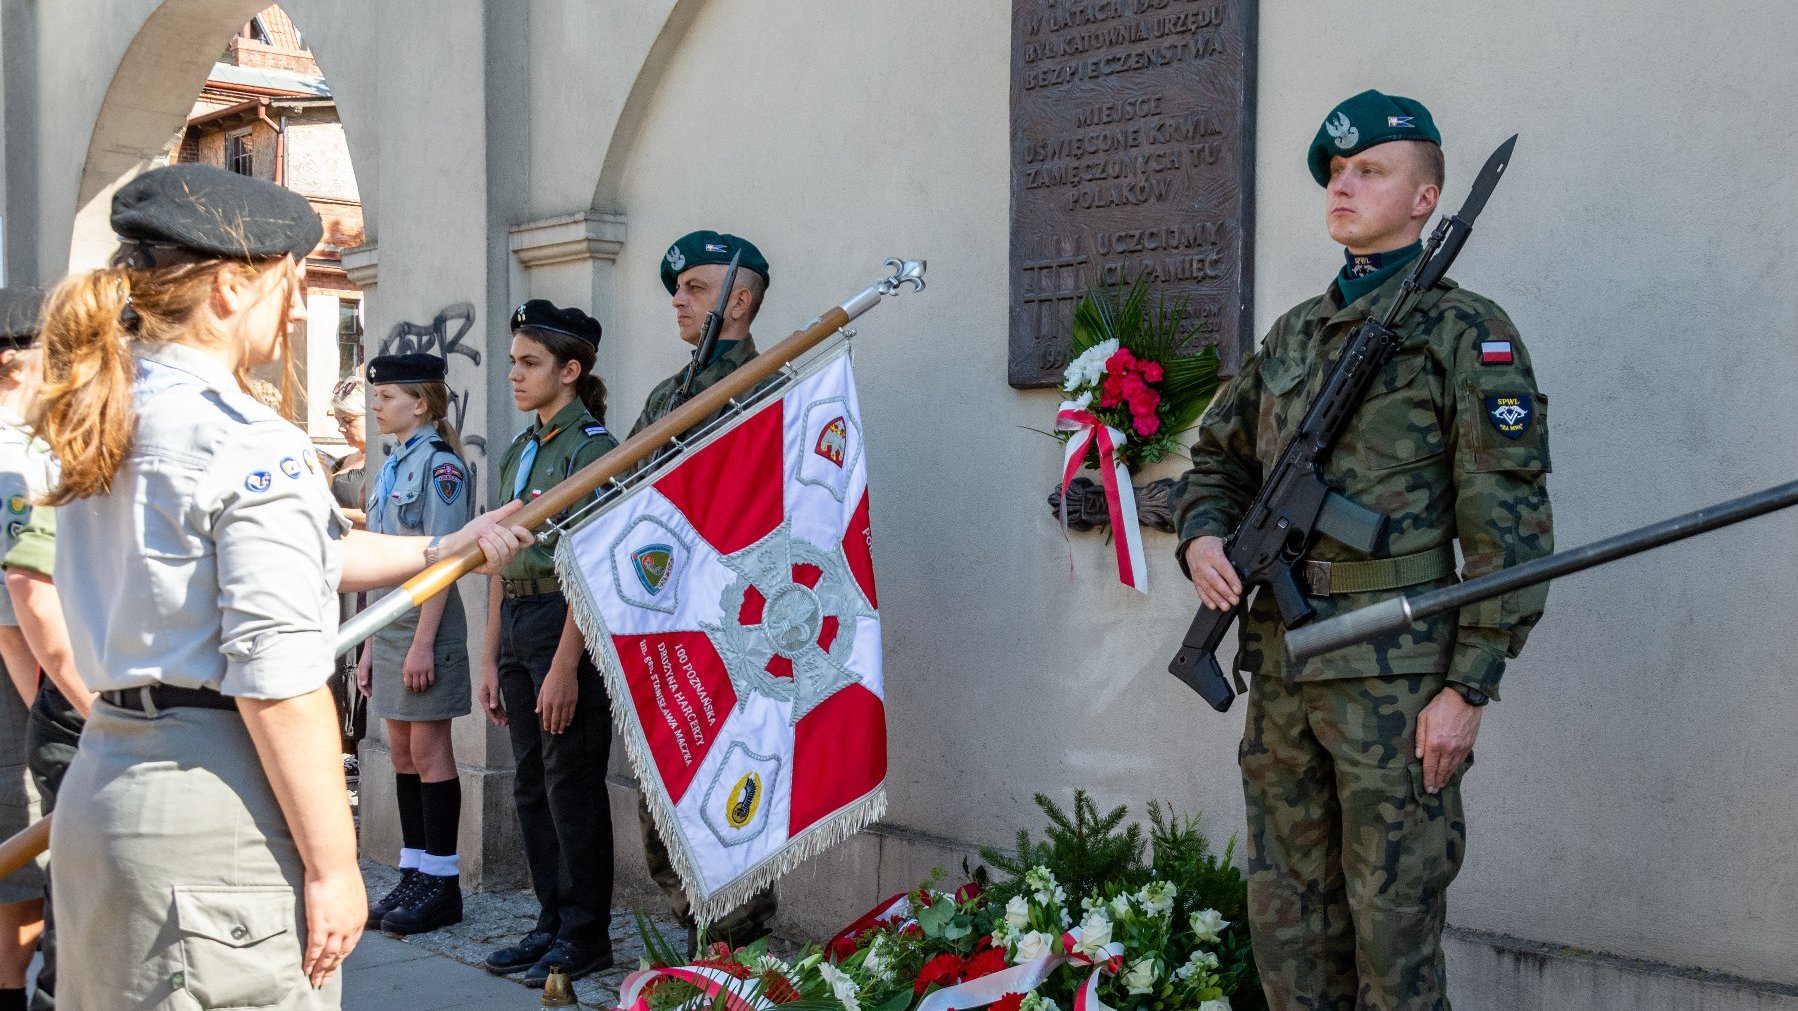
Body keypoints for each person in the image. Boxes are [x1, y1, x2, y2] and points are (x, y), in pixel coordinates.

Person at [32, 162, 529, 1010]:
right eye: (287, 283)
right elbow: (283, 685)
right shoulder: (243, 439)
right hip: (213, 801)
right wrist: (337, 867)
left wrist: (452, 544)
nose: (298, 308)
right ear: (229, 286)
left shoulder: (108, 408)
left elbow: (315, 554)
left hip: (107, 774)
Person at [1173, 90, 1553, 1010]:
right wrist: (1202, 536)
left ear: (1426, 199)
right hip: (1283, 670)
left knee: (1394, 933)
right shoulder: (1296, 334)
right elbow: (1217, 459)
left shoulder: (1467, 333)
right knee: (1287, 925)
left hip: (1400, 679)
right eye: (1336, 173)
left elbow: (1510, 525)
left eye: (1368, 170)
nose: (1343, 185)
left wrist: (1469, 686)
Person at [629, 230, 778, 954]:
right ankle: (701, 945)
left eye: (694, 287)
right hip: (660, 627)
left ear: (739, 300)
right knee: (663, 815)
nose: (678, 301)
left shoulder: (765, 386)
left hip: (728, 634)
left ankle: (736, 960)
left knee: (726, 803)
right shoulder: (671, 394)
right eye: (677, 289)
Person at [478, 299, 618, 987]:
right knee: (531, 784)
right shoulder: (520, 449)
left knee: (571, 783)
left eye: (529, 362)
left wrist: (565, 665)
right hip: (517, 622)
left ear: (571, 369)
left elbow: (593, 568)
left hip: (566, 623)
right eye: (511, 362)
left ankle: (585, 933)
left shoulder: (590, 450)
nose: (514, 373)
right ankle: (550, 919)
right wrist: (490, 654)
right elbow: (499, 559)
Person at [356, 352, 475, 936]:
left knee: (430, 755)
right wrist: (369, 643)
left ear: (421, 403)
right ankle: (414, 869)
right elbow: (379, 563)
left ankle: (443, 883)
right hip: (392, 624)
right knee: (401, 754)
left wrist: (423, 643)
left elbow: (446, 562)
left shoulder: (441, 468)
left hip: (426, 624)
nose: (377, 404)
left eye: (387, 396)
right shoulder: (390, 465)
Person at [5, 501, 89, 1011]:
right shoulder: (25, 460)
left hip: (85, 704)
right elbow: (22, 597)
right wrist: (91, 710)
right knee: (70, 896)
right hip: (80, 706)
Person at [0, 288, 48, 1011]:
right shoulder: (17, 459)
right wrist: (56, 709)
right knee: (23, 852)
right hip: (20, 688)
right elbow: (18, 607)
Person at [326, 372, 369, 759]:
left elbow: (379, 519)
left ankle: (357, 735)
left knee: (356, 652)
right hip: (337, 569)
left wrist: (339, 513)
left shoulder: (379, 461)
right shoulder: (342, 461)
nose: (341, 428)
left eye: (347, 420)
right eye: (337, 421)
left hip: (366, 566)